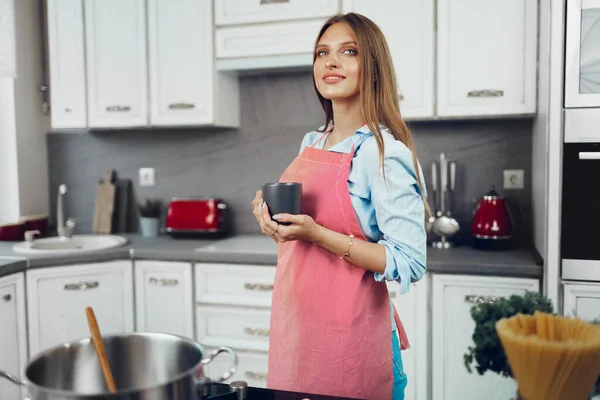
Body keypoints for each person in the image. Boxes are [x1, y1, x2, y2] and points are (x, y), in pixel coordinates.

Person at [251, 12, 430, 400]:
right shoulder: (312, 143)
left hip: (353, 339)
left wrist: (316, 233)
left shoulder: (382, 153)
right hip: (298, 330)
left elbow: (410, 262)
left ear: (375, 71)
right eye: (321, 53)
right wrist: (272, 220)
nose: (330, 62)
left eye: (348, 51)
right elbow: (302, 236)